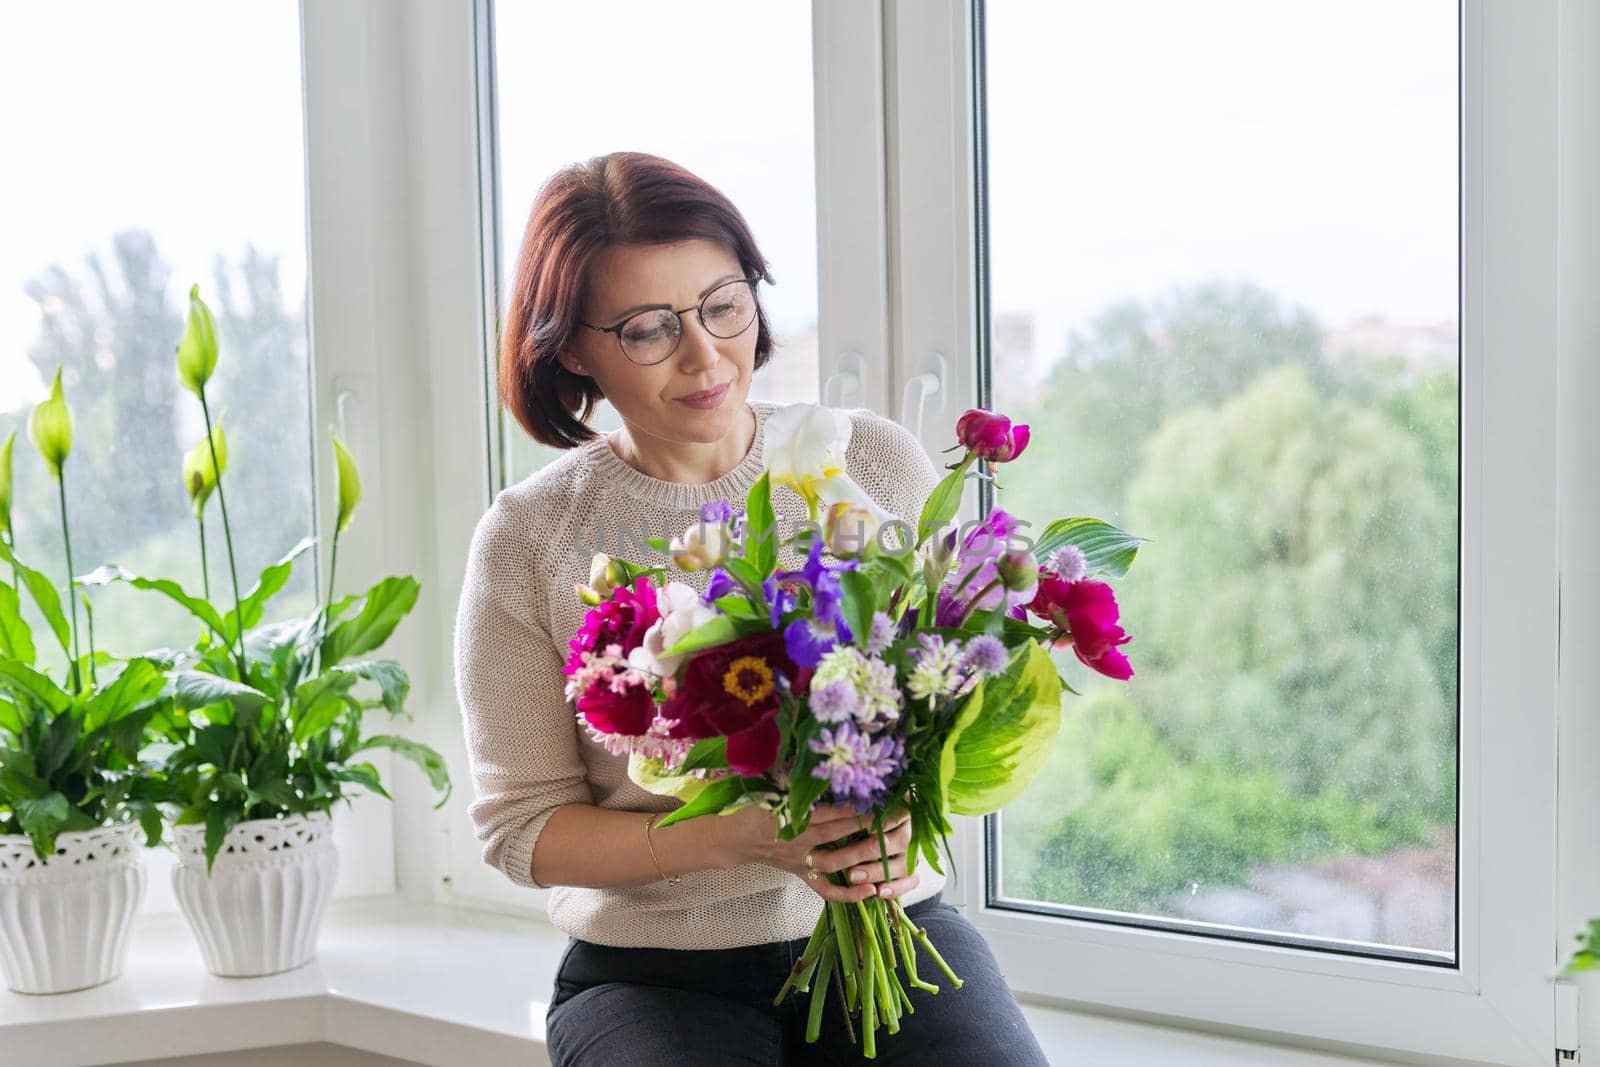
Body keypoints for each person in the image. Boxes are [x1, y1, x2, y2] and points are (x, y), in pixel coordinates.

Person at [453, 150, 1048, 1066]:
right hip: (652, 975)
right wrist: (731, 836)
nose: (704, 356)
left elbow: (955, 691)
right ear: (573, 347)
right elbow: (523, 828)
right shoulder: (532, 537)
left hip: (890, 926)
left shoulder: (870, 463)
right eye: (648, 328)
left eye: (722, 304)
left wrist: (903, 816)